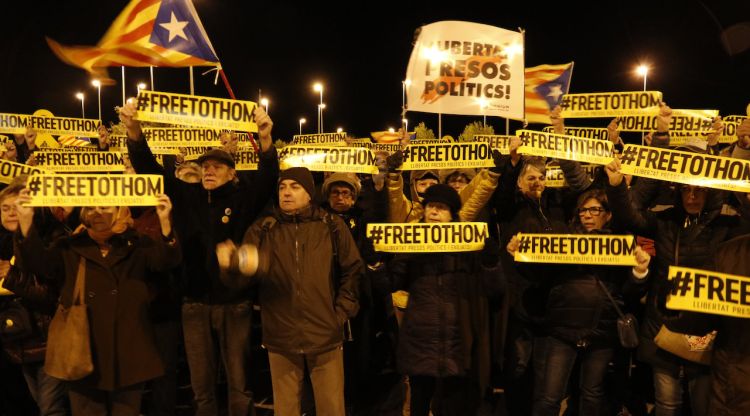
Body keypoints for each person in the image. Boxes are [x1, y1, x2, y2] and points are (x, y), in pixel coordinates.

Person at [120, 101, 279, 416]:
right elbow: (148, 166)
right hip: (193, 304)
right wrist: (134, 131)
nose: (209, 170)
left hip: (234, 304)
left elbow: (267, 177)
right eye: (205, 166)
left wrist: (265, 137)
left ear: (232, 173)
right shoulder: (185, 196)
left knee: (238, 385)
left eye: (217, 166)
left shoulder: (242, 198)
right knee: (201, 388)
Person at [13, 191, 181, 416]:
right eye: (92, 207)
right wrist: (25, 222)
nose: (98, 212)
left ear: (118, 209)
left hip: (128, 352)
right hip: (84, 351)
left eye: (105, 206)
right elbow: (39, 265)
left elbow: (165, 261)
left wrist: (165, 221)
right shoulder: (69, 246)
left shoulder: (137, 244)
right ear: (83, 212)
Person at [217, 167, 363, 416]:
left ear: (309, 194)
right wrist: (232, 266)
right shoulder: (263, 229)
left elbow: (353, 271)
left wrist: (339, 314)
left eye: (295, 187)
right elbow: (242, 281)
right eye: (283, 187)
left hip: (325, 334)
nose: (287, 193)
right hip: (280, 336)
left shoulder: (331, 225)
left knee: (331, 408)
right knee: (286, 409)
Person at [506, 188, 651, 415]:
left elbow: (628, 291)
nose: (587, 215)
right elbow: (539, 276)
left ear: (608, 214)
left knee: (592, 395)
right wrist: (520, 257)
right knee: (549, 397)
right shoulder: (563, 243)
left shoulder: (622, 247)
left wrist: (639, 272)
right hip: (562, 331)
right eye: (583, 210)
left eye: (594, 209)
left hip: (601, 333)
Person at [371, 184, 505, 416]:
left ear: (452, 216)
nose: (433, 212)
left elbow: (494, 291)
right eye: (430, 206)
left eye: (441, 208)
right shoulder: (410, 243)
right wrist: (377, 264)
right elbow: (389, 284)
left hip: (457, 343)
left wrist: (491, 263)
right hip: (419, 342)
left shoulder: (470, 247)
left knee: (453, 407)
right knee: (419, 405)